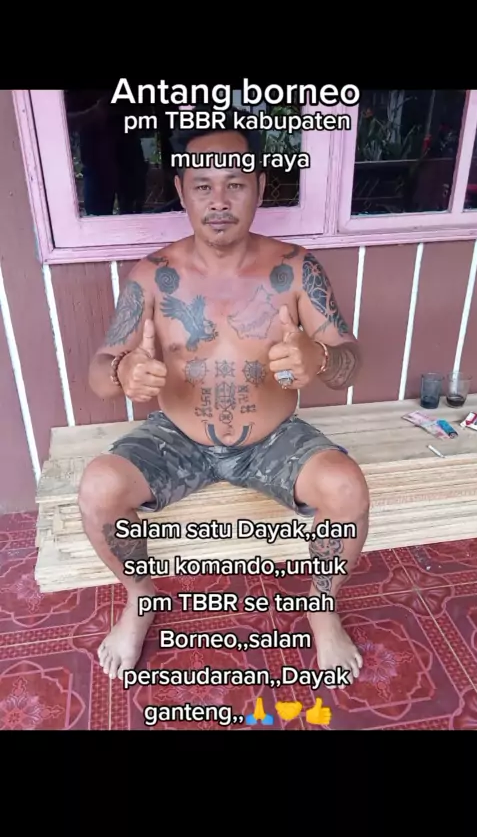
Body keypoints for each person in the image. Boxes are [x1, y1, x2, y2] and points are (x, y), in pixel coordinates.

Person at [80, 107, 370, 683]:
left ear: (259, 186)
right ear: (180, 191)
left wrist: (318, 358)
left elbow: (349, 359)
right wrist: (123, 373)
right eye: (203, 185)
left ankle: (322, 608)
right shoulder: (151, 275)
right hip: (178, 437)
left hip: (273, 439)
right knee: (98, 487)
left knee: (346, 487)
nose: (219, 200)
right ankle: (140, 596)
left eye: (235, 183)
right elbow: (98, 369)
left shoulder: (295, 268)